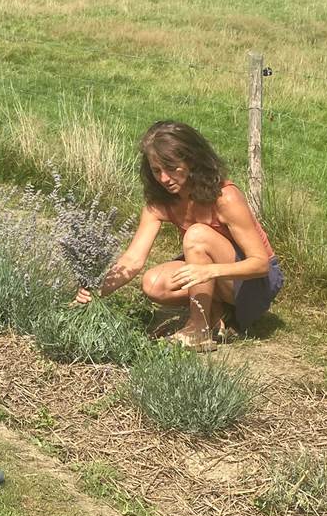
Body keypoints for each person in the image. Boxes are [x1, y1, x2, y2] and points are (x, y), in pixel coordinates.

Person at [76, 120, 285, 351]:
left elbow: (260, 264)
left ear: (192, 160)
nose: (164, 178)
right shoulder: (159, 204)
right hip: (214, 272)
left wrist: (209, 271)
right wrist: (96, 290)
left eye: (172, 167)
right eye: (156, 170)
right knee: (153, 284)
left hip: (255, 284)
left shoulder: (225, 197)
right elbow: (132, 260)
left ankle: (199, 328)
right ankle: (217, 311)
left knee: (197, 236)